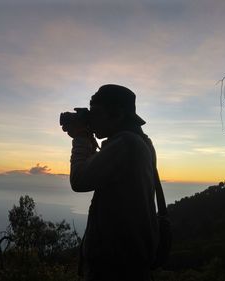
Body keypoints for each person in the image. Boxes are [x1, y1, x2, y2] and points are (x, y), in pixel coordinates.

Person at [65, 84, 161, 281]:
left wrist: (81, 138)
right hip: (131, 260)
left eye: (96, 112)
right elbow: (105, 170)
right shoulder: (141, 142)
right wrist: (90, 141)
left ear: (117, 114)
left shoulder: (126, 144)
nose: (91, 118)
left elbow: (80, 180)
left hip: (115, 266)